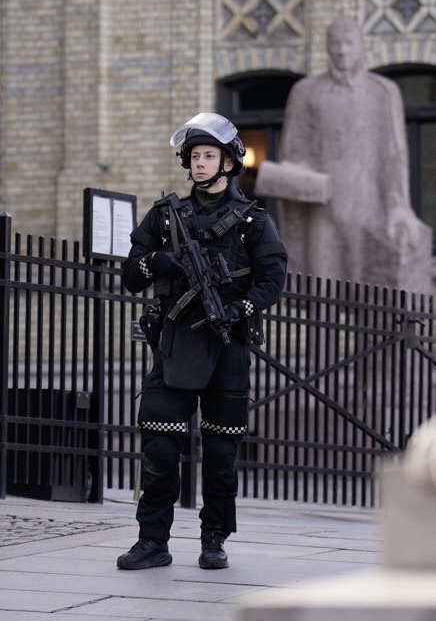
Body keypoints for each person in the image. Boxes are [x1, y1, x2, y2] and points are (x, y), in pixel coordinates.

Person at [116, 113, 287, 572]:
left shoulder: (253, 221)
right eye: (195, 156)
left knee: (220, 453)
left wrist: (239, 309)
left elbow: (272, 281)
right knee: (159, 449)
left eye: (209, 155)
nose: (201, 163)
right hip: (173, 341)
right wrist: (159, 261)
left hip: (227, 342)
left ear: (229, 162)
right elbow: (131, 275)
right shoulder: (165, 214)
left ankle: (214, 539)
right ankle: (152, 541)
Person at [255, 16, 431, 291]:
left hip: (369, 207)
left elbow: (394, 156)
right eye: (335, 44)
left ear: (360, 46)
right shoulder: (306, 92)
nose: (341, 51)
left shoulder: (382, 92)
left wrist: (398, 205)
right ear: (327, 47)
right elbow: (292, 151)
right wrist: (298, 176)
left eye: (348, 43)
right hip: (321, 210)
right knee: (322, 298)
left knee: (371, 299)